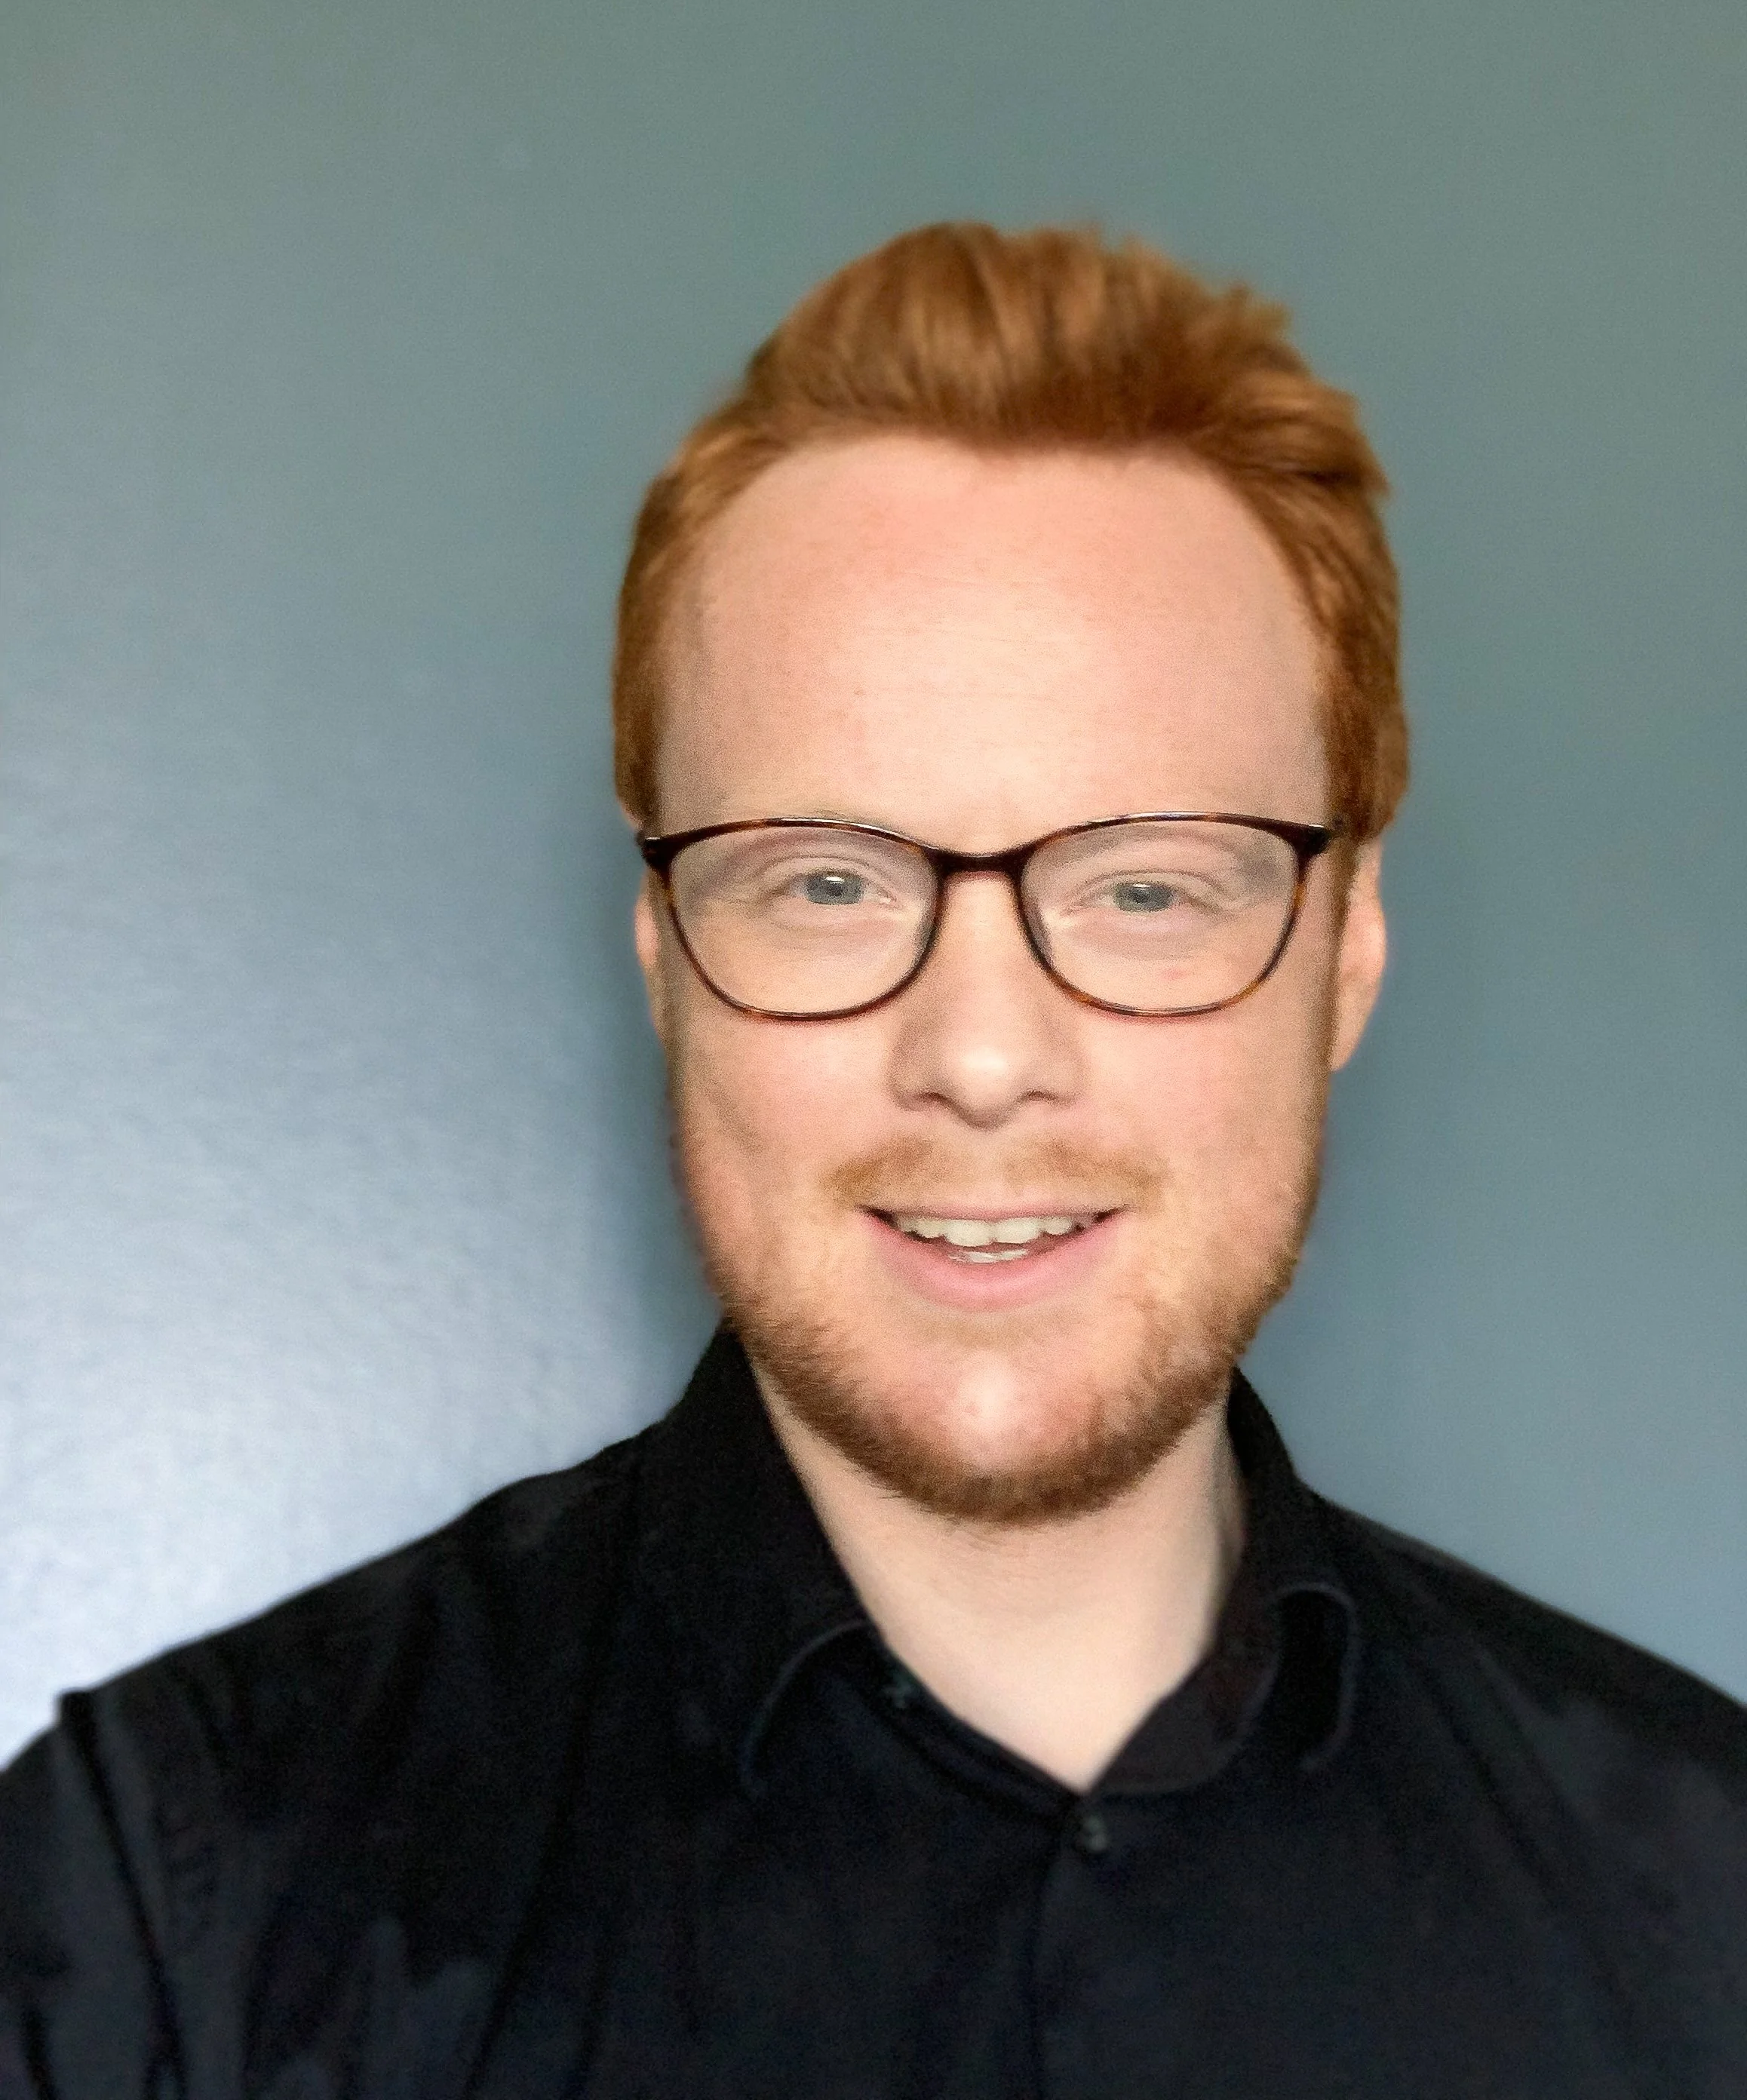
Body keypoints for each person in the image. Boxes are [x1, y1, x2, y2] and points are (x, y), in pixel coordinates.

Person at [2, 223, 1742, 2099]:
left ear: (1349, 954)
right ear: (667, 957)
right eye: (827, 881)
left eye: (1147, 883)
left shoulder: (1703, 1904)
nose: (982, 1057)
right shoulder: (170, 1912)